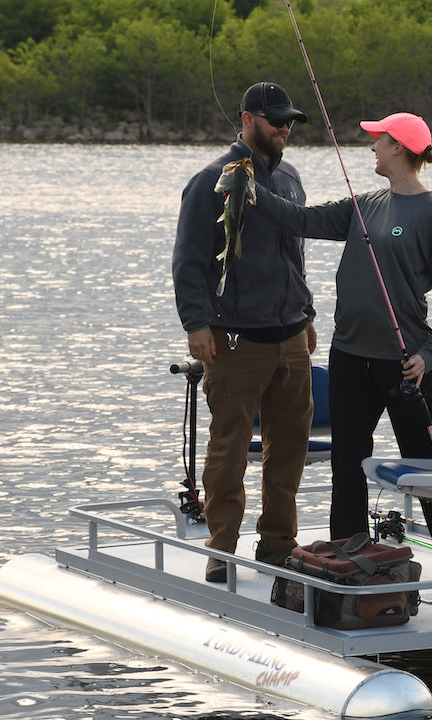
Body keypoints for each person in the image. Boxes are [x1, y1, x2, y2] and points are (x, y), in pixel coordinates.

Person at [249, 112, 432, 584]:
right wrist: (250, 194)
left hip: (405, 365)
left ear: (400, 148)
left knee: (427, 463)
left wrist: (429, 355)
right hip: (349, 356)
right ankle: (346, 552)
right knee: (347, 461)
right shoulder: (364, 204)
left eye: (379, 140)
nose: (371, 147)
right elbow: (301, 219)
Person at [172, 82, 317, 583]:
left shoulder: (293, 178)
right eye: (276, 119)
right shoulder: (212, 180)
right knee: (229, 448)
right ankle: (222, 550)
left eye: (290, 120)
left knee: (290, 445)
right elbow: (189, 260)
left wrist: (309, 312)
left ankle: (278, 545)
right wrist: (196, 324)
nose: (284, 128)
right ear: (247, 119)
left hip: (292, 335)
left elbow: (296, 254)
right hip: (233, 339)